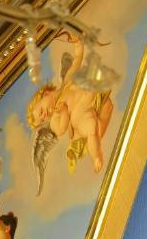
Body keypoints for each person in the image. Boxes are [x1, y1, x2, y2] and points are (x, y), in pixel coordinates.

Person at [27, 30, 115, 193]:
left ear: (44, 94)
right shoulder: (54, 119)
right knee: (91, 126)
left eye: (40, 112)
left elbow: (77, 58)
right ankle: (97, 156)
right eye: (42, 120)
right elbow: (61, 128)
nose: (44, 116)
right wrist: (62, 112)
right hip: (79, 116)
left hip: (90, 98)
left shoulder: (66, 82)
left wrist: (77, 43)